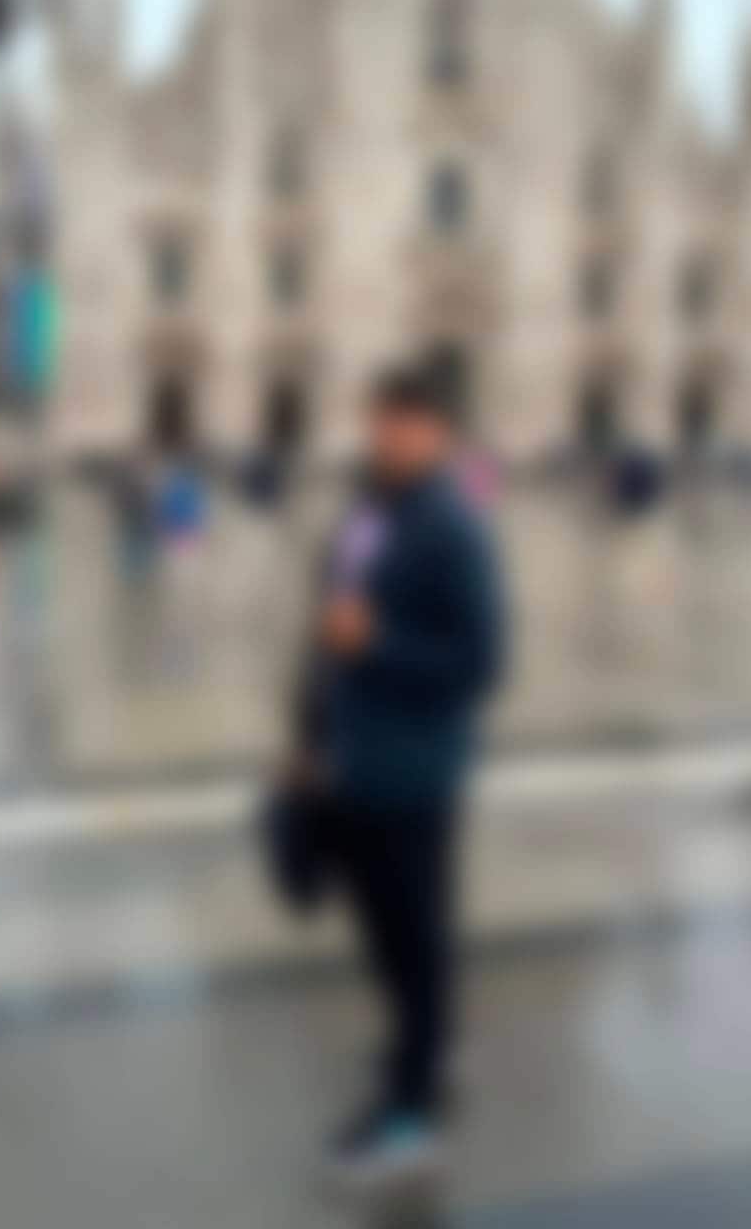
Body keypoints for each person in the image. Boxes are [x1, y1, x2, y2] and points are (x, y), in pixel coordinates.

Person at [286, 364, 506, 1189]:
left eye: (407, 420)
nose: (389, 433)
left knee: (411, 943)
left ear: (440, 431)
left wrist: (375, 644)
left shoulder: (454, 527)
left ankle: (411, 1119)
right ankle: (426, 1047)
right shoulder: (369, 514)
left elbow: (481, 663)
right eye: (381, 417)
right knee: (391, 937)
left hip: (413, 772)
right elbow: (332, 625)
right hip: (354, 758)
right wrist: (308, 734)